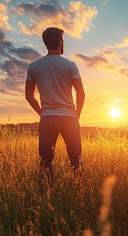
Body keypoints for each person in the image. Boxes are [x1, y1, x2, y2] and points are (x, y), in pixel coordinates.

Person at [25, 27, 85, 186]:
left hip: (47, 118)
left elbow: (29, 96)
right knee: (75, 159)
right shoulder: (70, 65)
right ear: (60, 43)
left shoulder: (34, 66)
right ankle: (78, 192)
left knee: (45, 161)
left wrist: (43, 113)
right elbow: (81, 93)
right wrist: (76, 115)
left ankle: (46, 195)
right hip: (69, 118)